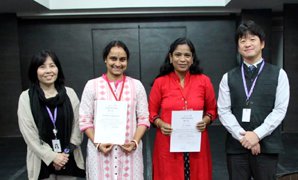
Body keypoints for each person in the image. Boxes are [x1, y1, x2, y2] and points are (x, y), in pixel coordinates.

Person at [217, 20, 290, 180]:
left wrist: (257, 135)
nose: (247, 44)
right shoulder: (228, 77)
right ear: (238, 47)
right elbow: (223, 111)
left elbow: (279, 110)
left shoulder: (279, 74)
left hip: (267, 147)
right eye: (242, 40)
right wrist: (243, 137)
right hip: (237, 147)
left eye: (252, 39)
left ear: (262, 43)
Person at [79, 40, 150, 179]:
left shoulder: (136, 86)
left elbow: (143, 118)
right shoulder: (92, 85)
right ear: (105, 59)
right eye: (113, 58)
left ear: (127, 61)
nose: (118, 63)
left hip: (130, 152)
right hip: (100, 153)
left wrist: (134, 142)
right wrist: (97, 143)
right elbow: (84, 120)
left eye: (122, 59)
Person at [149, 37, 217, 180]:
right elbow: (151, 113)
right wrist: (160, 124)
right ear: (170, 57)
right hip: (168, 142)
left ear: (192, 59)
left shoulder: (204, 81)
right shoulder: (160, 82)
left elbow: (212, 110)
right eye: (178, 55)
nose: (182, 59)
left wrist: (205, 120)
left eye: (187, 55)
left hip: (196, 141)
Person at [17, 50, 85, 180]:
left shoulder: (70, 94)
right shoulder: (26, 98)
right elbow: (29, 133)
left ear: (58, 69)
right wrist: (53, 156)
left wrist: (63, 155)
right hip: (40, 161)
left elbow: (78, 125)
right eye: (42, 67)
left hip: (67, 158)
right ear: (34, 71)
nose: (48, 70)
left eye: (52, 65)